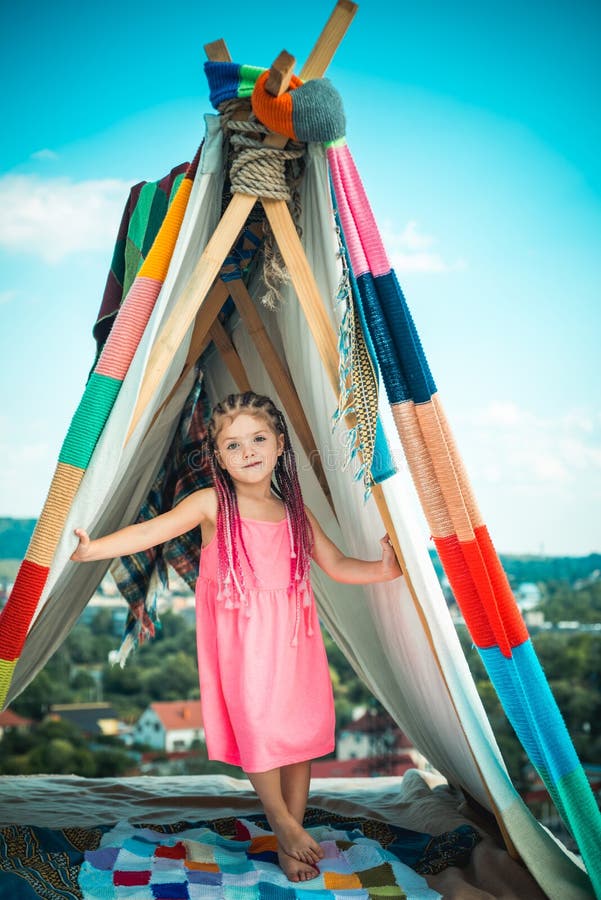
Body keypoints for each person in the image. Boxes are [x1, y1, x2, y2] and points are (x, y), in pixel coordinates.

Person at [71, 391, 402, 882]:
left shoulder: (295, 511)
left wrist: (384, 568)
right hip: (241, 639)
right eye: (233, 445)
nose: (248, 451)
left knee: (295, 735)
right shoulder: (210, 504)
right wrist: (93, 549)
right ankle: (282, 824)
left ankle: (293, 835)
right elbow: (151, 532)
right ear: (218, 458)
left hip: (293, 637)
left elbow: (334, 565)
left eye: (258, 439)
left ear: (280, 444)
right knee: (259, 730)